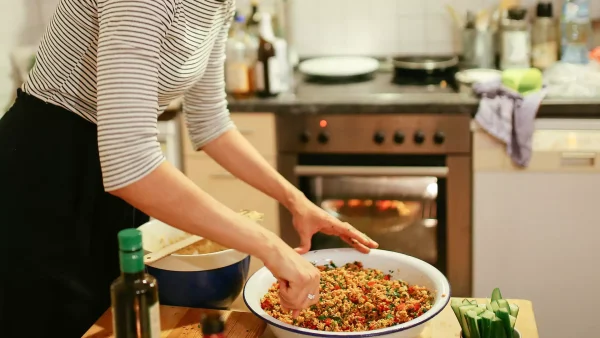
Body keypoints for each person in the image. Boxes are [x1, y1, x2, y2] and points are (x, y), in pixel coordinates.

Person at [0, 0, 378, 337]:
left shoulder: (219, 3)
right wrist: (271, 246)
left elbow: (210, 121)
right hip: (44, 177)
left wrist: (297, 202)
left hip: (103, 177)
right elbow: (130, 164)